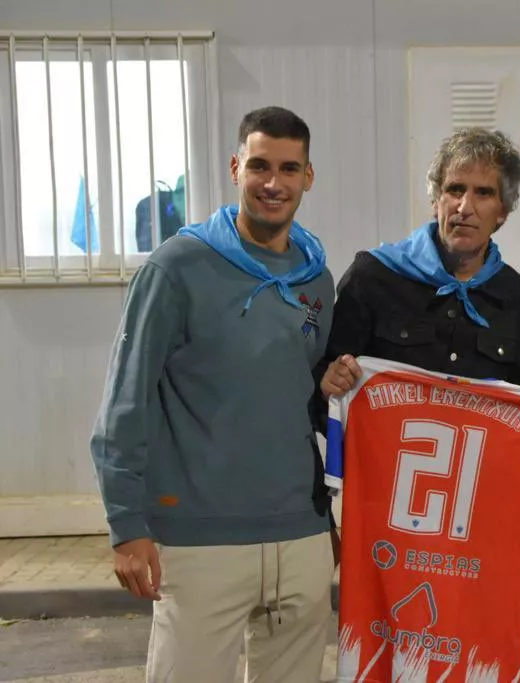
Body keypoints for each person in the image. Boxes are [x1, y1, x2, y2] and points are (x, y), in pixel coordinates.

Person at [90, 106, 337, 683]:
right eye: (259, 166)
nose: (273, 183)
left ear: (308, 176)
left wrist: (324, 518)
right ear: (235, 167)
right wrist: (127, 525)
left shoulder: (316, 279)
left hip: (300, 535)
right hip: (199, 539)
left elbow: (309, 400)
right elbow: (125, 401)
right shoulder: (177, 267)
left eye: (288, 168)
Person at [317, 126, 520, 433]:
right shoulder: (373, 277)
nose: (465, 207)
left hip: (482, 481)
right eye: (455, 189)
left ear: (503, 212)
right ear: (436, 200)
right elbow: (323, 386)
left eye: (483, 193)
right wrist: (327, 386)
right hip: (381, 478)